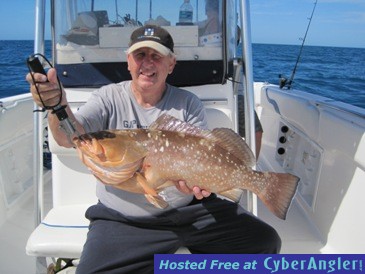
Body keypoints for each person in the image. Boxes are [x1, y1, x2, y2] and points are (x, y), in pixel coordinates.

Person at [27, 25, 281, 274]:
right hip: (124, 220)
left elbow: (204, 153)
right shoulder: (108, 98)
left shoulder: (187, 103)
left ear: (170, 64)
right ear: (128, 61)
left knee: (264, 243)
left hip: (192, 211)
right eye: (140, 55)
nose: (147, 63)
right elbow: (69, 136)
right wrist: (56, 107)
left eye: (156, 56)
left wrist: (197, 184)